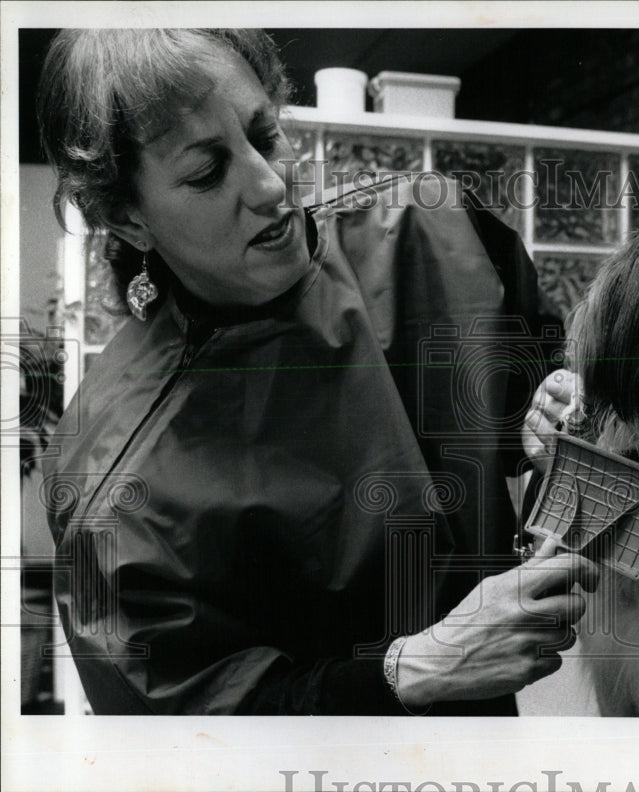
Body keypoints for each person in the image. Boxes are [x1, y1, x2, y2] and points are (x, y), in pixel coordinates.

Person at [38, 28, 589, 715]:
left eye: (264, 135)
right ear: (128, 220)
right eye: (208, 172)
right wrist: (411, 671)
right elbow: (188, 735)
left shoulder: (430, 234)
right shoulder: (110, 488)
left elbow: (546, 429)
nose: (271, 186)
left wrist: (559, 431)